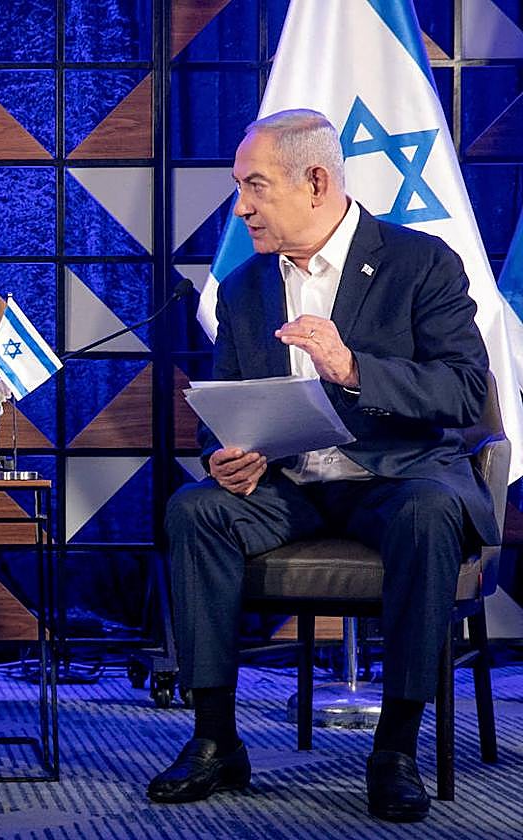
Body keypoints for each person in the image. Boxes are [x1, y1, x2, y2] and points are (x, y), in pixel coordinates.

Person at [148, 109, 498, 823]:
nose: (240, 205)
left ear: (315, 181)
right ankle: (215, 739)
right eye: (238, 187)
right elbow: (230, 407)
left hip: (398, 477)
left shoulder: (420, 261)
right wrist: (226, 456)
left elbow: (464, 391)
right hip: (291, 486)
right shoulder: (244, 287)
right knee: (195, 509)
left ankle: (394, 749)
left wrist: (351, 366)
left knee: (430, 512)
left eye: (254, 185)